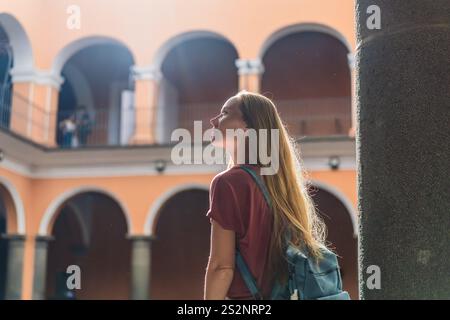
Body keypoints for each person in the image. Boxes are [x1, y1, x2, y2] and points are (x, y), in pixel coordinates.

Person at [204, 91, 326, 300]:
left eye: (224, 113)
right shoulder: (283, 184)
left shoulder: (228, 183)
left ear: (249, 128)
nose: (213, 121)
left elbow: (221, 267)